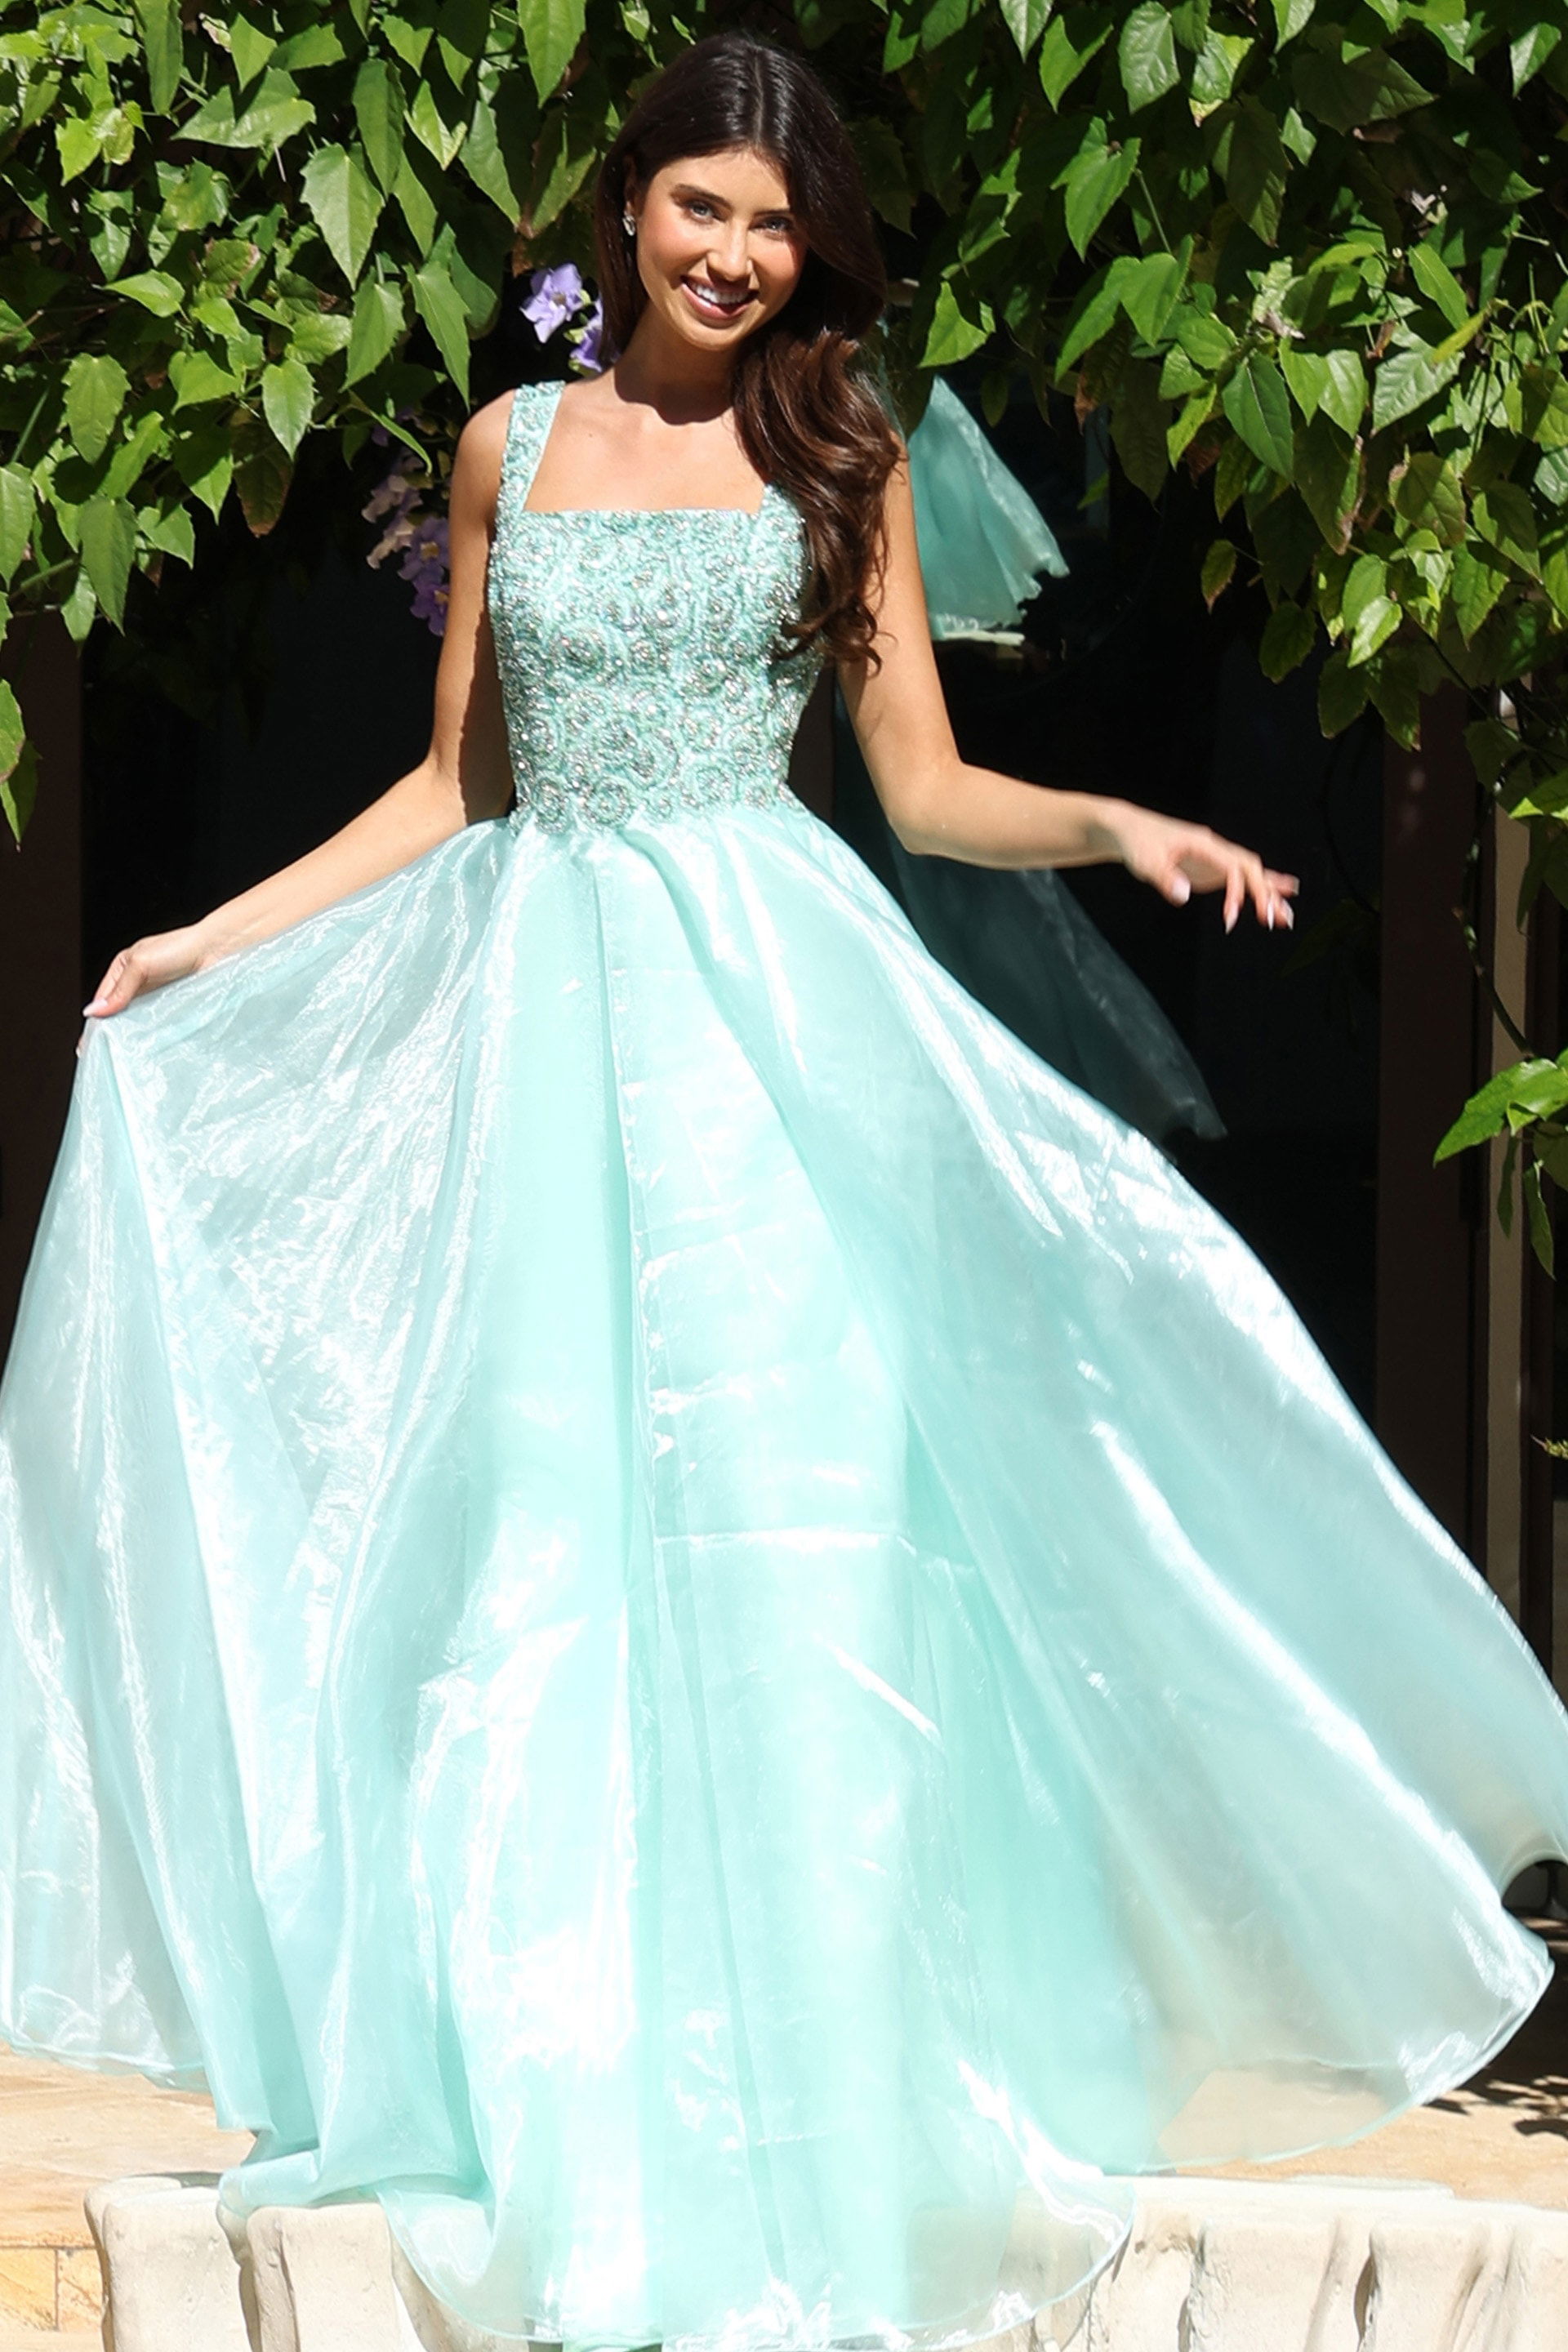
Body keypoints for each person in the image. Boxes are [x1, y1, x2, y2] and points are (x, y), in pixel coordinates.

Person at [3, 29, 1567, 2352]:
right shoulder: (511, 447)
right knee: (545, 1571)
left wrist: (1120, 828)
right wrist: (211, 937)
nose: (734, 257)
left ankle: (827, 2145)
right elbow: (459, 783)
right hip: (544, 1055)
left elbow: (920, 788)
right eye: (700, 208)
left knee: (795, 1560)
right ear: (628, 208)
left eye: (775, 226)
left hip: (772, 1054)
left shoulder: (841, 456)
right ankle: (581, 2135)